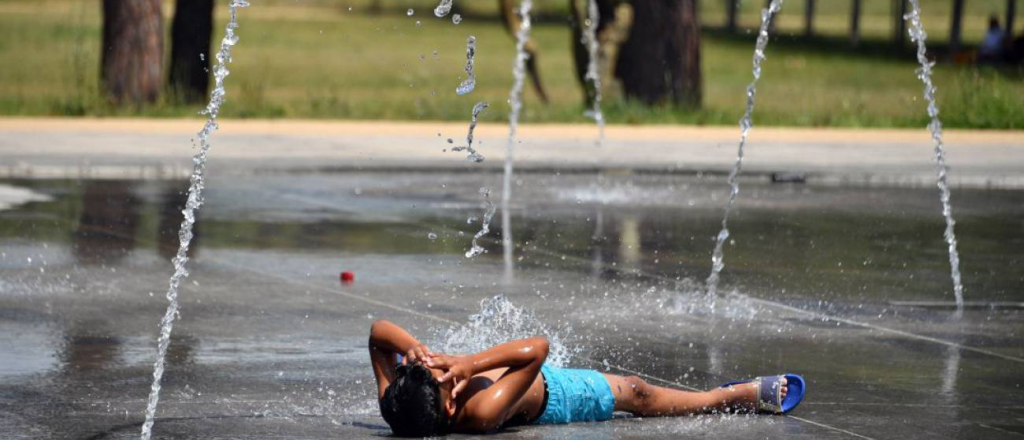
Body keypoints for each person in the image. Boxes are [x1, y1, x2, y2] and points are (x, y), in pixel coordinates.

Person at [368, 319, 806, 436]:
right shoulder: (480, 412)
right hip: (557, 396)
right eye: (445, 378)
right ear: (449, 406)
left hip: (525, 375)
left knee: (636, 389)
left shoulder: (399, 406)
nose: (445, 369)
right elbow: (537, 350)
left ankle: (719, 396)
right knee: (638, 392)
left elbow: (377, 335)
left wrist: (414, 350)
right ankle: (723, 398)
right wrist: (469, 364)